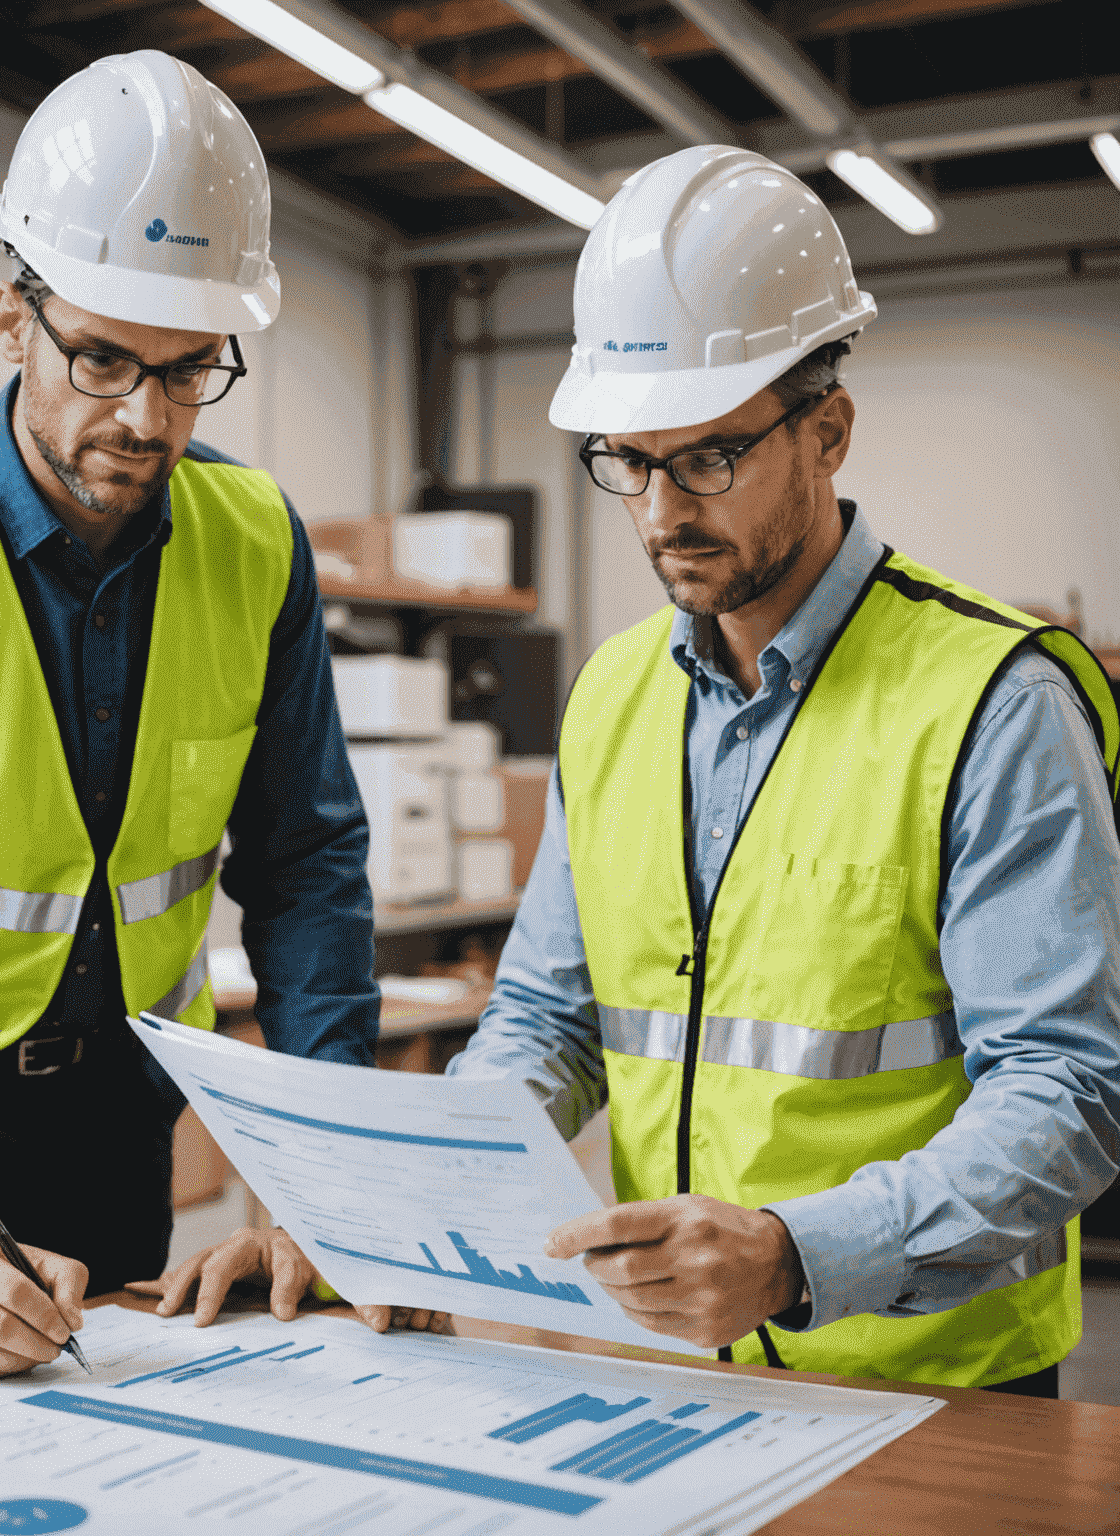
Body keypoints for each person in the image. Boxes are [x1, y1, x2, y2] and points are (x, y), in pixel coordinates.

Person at [0, 50, 435, 1380]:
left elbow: (307, 871)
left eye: (188, 372)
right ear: (14, 315)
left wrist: (320, 1178)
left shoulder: (257, 543)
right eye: (103, 359)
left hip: (118, 1127)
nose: (144, 416)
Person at [445, 144, 1120, 1395]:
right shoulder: (611, 696)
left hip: (940, 1384)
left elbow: (1069, 1089)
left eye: (707, 457)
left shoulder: (997, 701)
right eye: (627, 461)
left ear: (828, 431)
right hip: (686, 1366)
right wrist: (410, 1190)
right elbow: (549, 1019)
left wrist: (797, 1254)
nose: (657, 512)